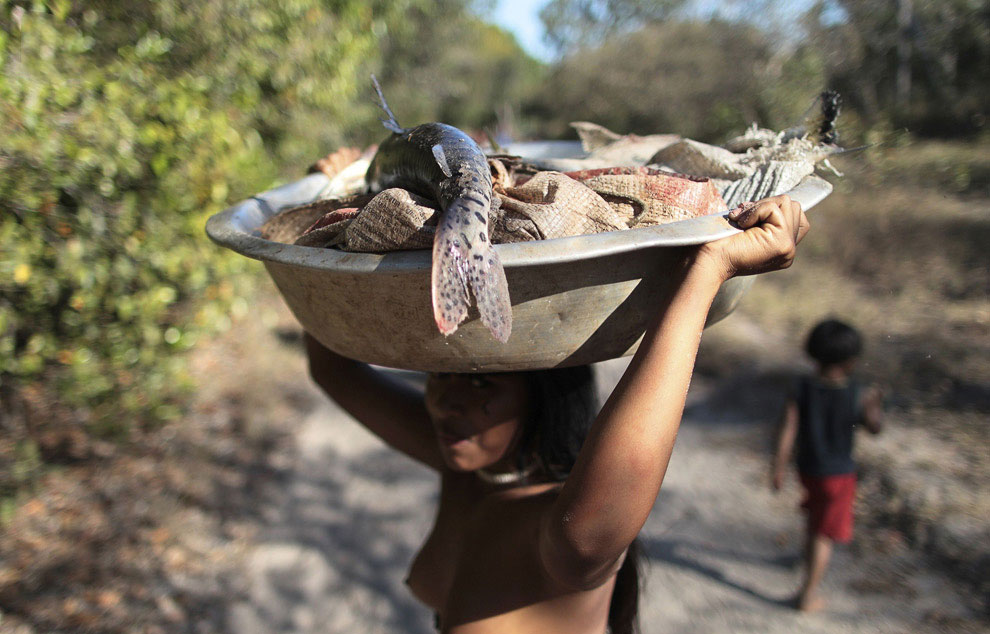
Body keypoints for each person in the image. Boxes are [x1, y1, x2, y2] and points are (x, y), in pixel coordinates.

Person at [306, 195, 809, 633]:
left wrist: (709, 269)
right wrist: (327, 206)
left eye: (482, 382)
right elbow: (334, 370)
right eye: (442, 375)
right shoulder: (470, 468)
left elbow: (630, 463)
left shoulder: (563, 541)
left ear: (543, 398)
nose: (446, 402)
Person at [771, 319, 884, 613]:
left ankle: (804, 559)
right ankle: (807, 596)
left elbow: (787, 428)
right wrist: (874, 408)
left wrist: (778, 467)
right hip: (840, 475)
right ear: (851, 361)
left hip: (808, 470)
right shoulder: (858, 393)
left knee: (814, 518)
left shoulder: (801, 387)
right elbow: (875, 428)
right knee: (823, 534)